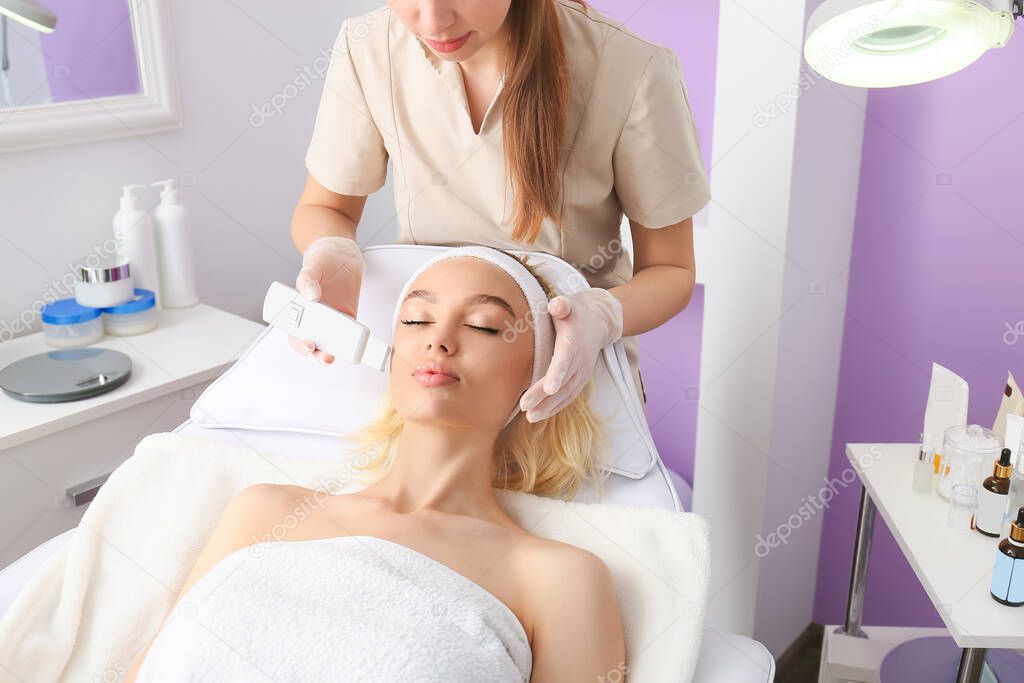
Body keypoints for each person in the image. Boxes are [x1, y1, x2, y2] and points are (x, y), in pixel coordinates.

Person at [125, 247, 625, 682]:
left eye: (484, 326)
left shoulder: (559, 579)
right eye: (415, 320)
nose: (439, 340)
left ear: (543, 375)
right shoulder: (265, 511)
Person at [290, 0, 711, 423]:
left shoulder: (629, 68)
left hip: (565, 396)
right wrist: (332, 251)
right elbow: (326, 208)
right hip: (432, 382)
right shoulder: (369, 47)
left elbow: (671, 269)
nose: (433, 20)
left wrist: (602, 316)